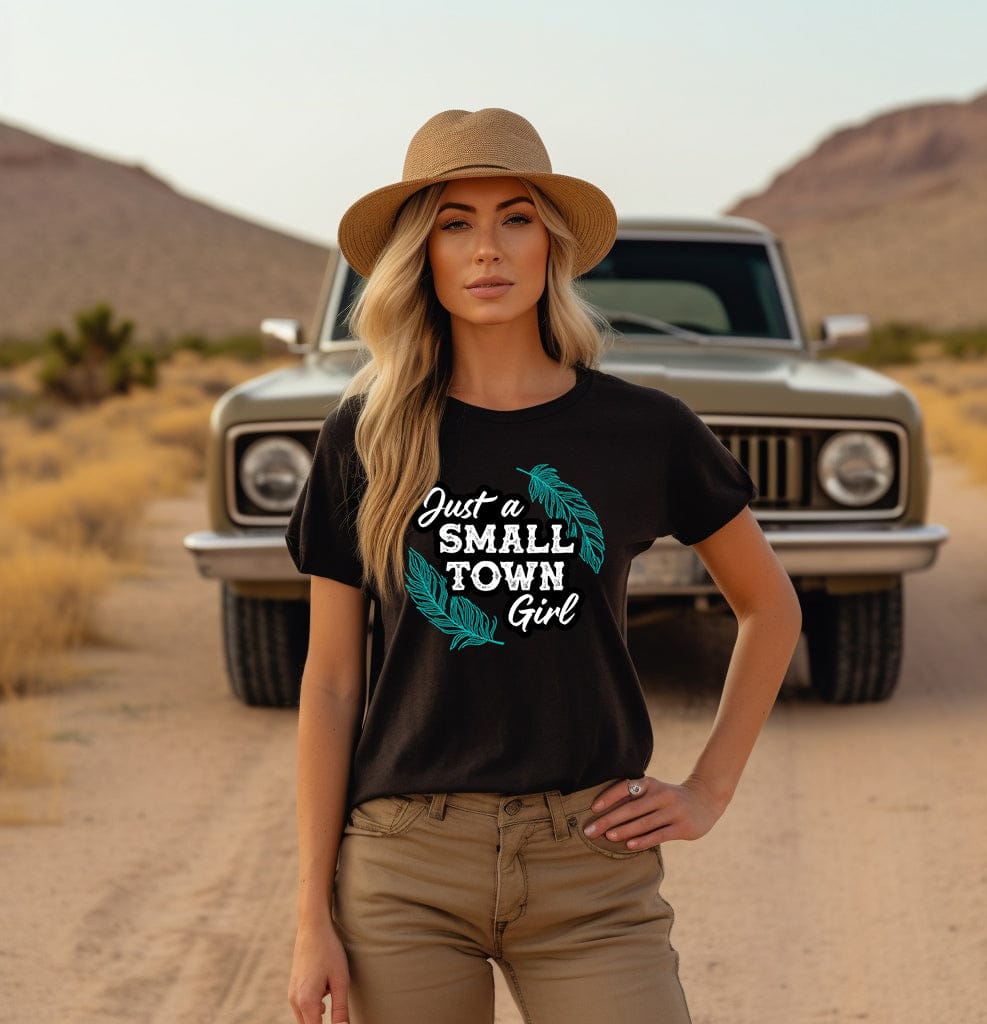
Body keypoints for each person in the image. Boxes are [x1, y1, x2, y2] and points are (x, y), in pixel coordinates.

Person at [285, 108, 802, 1024]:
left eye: (516, 217)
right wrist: (308, 916)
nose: (488, 248)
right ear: (423, 254)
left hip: (589, 865)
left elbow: (770, 608)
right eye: (456, 223)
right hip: (404, 864)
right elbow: (330, 683)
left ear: (551, 246)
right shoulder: (363, 437)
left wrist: (709, 788)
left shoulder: (644, 430)